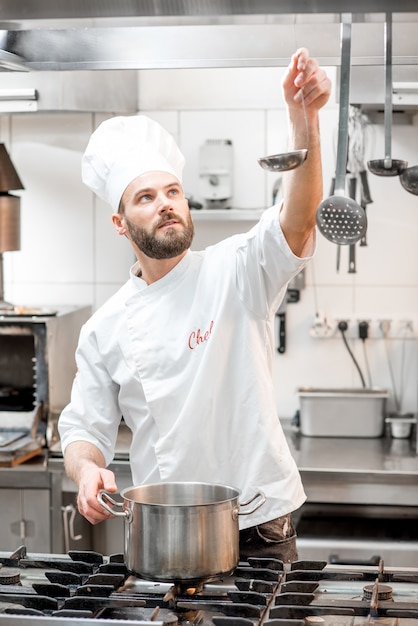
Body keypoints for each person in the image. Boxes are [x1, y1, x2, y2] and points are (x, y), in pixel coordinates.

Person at [59, 48, 331, 562]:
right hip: (164, 534)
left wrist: (305, 124)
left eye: (173, 191)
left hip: (261, 526)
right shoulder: (105, 327)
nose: (165, 203)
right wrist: (86, 468)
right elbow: (82, 428)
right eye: (145, 197)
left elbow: (297, 219)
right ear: (120, 223)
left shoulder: (236, 268)